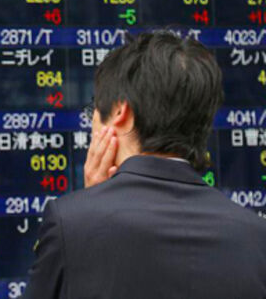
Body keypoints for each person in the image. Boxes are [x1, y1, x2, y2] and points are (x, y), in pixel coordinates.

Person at [24, 31, 266, 299]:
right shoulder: (256, 237)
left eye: (94, 109)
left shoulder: (70, 223)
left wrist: (92, 208)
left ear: (121, 112)